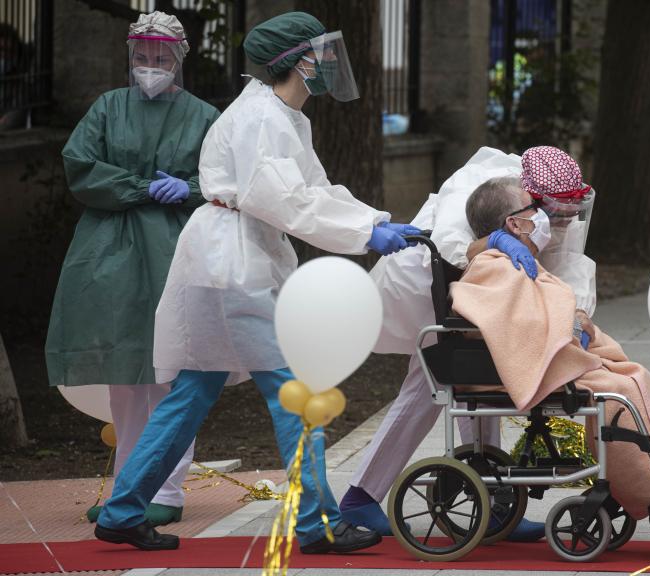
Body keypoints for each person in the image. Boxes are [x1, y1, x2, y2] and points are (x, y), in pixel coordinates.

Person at [94, 12, 418, 553]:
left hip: (224, 261)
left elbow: (314, 187)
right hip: (234, 266)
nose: (328, 61)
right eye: (319, 52)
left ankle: (124, 509)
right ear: (295, 60)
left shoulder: (282, 116)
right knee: (298, 392)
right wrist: (366, 233)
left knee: (191, 393)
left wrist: (376, 222)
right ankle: (316, 525)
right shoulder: (263, 119)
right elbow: (285, 201)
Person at [454, 177, 650, 528]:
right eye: (533, 209)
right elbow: (517, 324)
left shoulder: (509, 257)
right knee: (620, 394)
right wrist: (571, 325)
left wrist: (574, 323)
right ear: (513, 223)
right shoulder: (496, 262)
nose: (542, 215)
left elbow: (533, 314)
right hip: (536, 366)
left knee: (635, 376)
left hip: (556, 359)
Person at [338, 146, 597, 542]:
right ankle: (374, 497)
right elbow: (447, 242)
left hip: (476, 294)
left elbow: (565, 264)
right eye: (557, 213)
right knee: (439, 382)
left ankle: (488, 498)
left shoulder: (555, 203)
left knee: (467, 384)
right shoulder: (484, 183)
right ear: (534, 200)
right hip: (424, 284)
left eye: (569, 212)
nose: (564, 221)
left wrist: (576, 314)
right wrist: (495, 239)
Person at [45, 11, 219, 527]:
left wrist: (186, 189)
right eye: (141, 58)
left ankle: (166, 487)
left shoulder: (205, 116)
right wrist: (143, 188)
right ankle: (128, 484)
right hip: (111, 253)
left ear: (179, 60)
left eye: (161, 58)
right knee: (125, 372)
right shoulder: (106, 108)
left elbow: (222, 178)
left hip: (175, 249)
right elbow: (80, 165)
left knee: (172, 368)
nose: (150, 67)